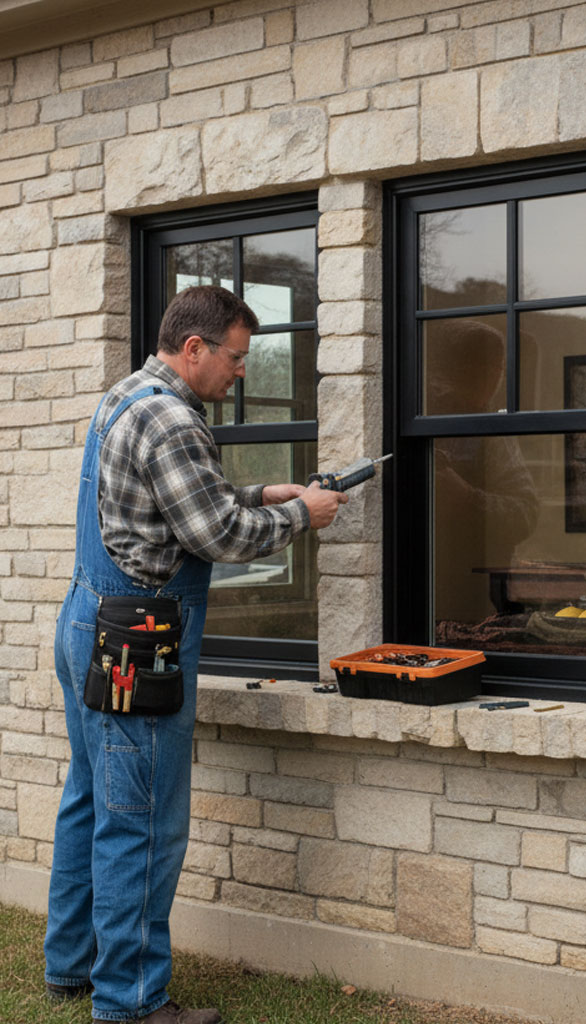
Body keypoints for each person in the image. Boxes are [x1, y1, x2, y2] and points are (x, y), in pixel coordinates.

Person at [44, 285, 347, 1024]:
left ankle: (71, 963)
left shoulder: (127, 395)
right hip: (137, 642)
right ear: (194, 348)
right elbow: (217, 536)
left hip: (87, 620)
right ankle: (132, 1000)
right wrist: (300, 515)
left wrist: (260, 491)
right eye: (236, 357)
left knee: (91, 799)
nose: (241, 371)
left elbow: (174, 504)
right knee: (142, 820)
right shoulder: (175, 418)